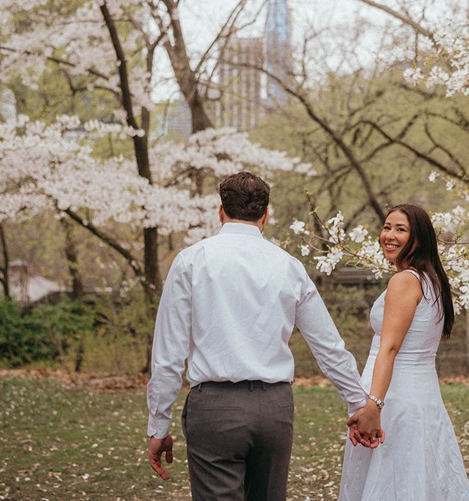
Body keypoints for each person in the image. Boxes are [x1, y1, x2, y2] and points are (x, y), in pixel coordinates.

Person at [146, 171, 380, 501]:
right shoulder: (289, 266)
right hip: (274, 410)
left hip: (214, 409)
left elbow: (168, 355)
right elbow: (328, 345)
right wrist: (359, 402)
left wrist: (159, 425)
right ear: (265, 215)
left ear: (220, 211)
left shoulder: (190, 262)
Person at [340, 203, 469, 500]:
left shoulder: (405, 281)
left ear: (419, 239)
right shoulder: (431, 281)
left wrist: (374, 406)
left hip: (395, 399)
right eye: (387, 227)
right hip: (421, 397)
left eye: (401, 229)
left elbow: (389, 348)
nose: (389, 235)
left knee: (395, 482)